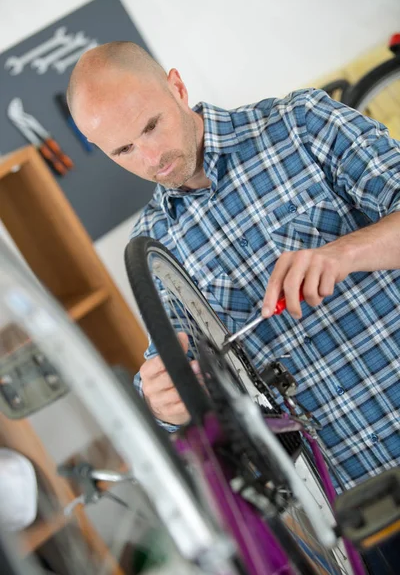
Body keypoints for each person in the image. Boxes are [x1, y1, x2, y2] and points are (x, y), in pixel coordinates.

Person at [68, 41, 400, 569]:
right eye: (122, 151)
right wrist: (163, 400)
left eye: (151, 126)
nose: (151, 160)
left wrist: (344, 253)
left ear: (177, 87)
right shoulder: (156, 248)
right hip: (358, 510)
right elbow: (169, 369)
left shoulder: (300, 124)